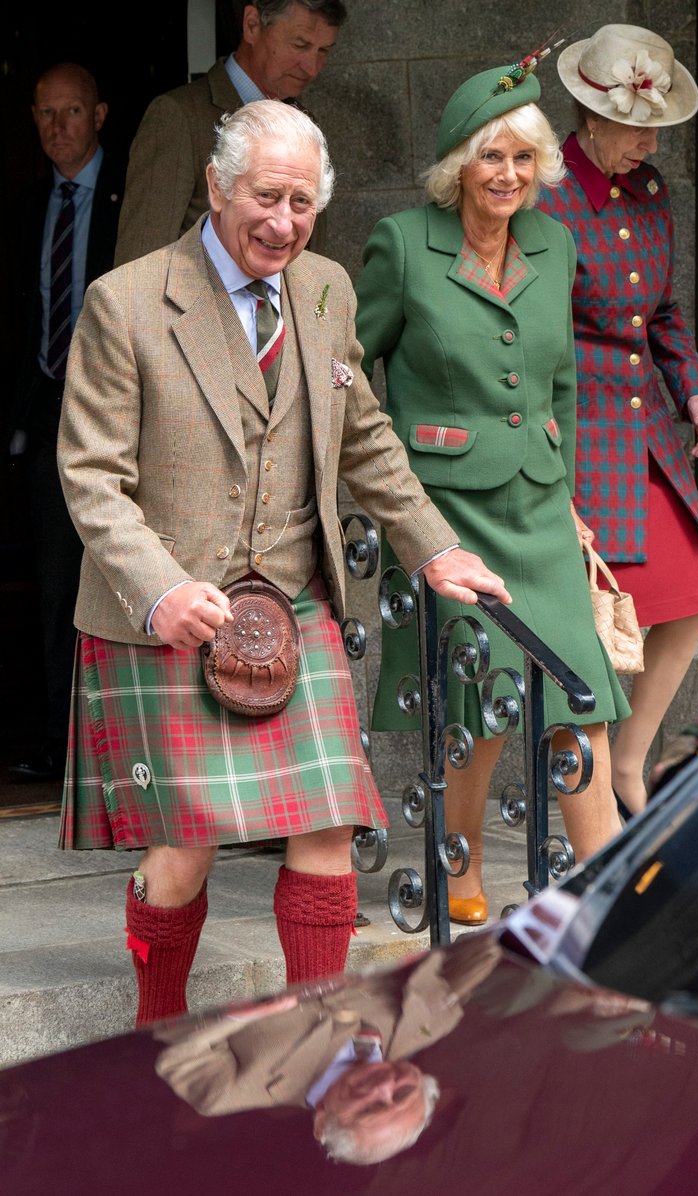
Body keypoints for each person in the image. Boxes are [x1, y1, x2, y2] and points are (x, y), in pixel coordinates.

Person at [56, 98, 510, 1027]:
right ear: (218, 186)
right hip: (166, 612)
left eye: (303, 203)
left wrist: (438, 549)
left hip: (290, 609)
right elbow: (92, 478)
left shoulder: (326, 288)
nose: (283, 222)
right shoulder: (128, 301)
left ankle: (325, 1040)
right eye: (267, 196)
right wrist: (162, 592)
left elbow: (368, 440)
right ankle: (159, 1032)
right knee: (183, 851)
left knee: (329, 822)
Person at [354, 62, 630, 926]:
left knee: (582, 701)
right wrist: (387, 483)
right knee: (483, 696)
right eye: (490, 159)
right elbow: (351, 369)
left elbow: (561, 390)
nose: (509, 175)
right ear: (456, 168)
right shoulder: (403, 244)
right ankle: (455, 862)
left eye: (523, 157)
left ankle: (609, 894)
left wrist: (572, 495)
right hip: (448, 513)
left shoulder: (557, 245)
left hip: (541, 513)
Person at [537, 24, 698, 817]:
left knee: (693, 593)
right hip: (580, 432)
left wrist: (695, 389)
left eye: (658, 126)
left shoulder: (651, 192)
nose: (651, 140)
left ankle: (627, 763)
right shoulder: (544, 195)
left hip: (646, 428)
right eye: (640, 125)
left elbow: (664, 311)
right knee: (600, 618)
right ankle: (587, 776)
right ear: (590, 116)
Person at [8, 62, 124, 782]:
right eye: (45, 114)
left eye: (72, 112)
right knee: (56, 581)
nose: (57, 127)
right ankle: (62, 740)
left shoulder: (130, 195)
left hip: (117, 404)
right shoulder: (26, 209)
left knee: (120, 577)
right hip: (50, 406)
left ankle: (119, 746)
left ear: (100, 115)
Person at [154, 933, 501, 1164]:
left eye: (370, 1109)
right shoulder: (432, 1024)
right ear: (419, 1076)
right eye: (403, 1093)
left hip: (223, 944)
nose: (384, 1087)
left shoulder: (232, 1092)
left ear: (323, 1125)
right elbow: (484, 947)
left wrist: (244, 1014)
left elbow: (175, 1041)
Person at [113, 0, 344, 266]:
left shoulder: (305, 123)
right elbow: (139, 266)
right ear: (252, 25)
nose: (312, 67)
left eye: (324, 50)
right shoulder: (179, 116)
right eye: (300, 45)